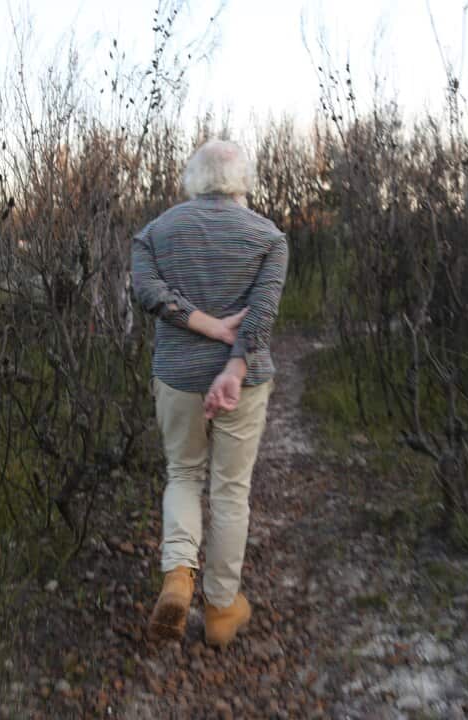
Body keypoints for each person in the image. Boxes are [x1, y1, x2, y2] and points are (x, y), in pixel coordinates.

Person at [130, 139, 288, 647]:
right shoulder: (268, 237)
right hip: (243, 382)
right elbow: (260, 316)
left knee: (182, 473)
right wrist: (233, 358)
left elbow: (148, 293)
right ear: (242, 180)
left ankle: (178, 573)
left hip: (177, 376)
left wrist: (202, 325)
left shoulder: (155, 233)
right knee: (230, 491)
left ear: (193, 177)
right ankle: (221, 610)